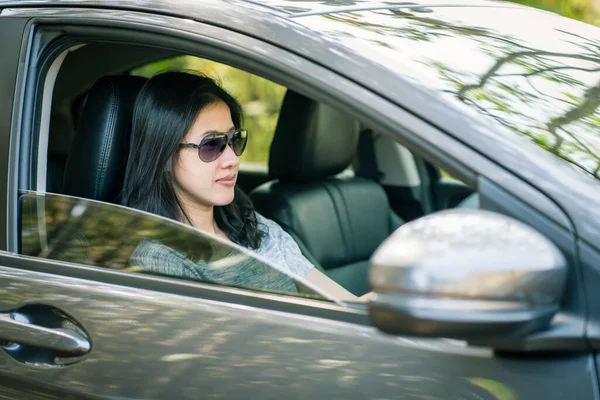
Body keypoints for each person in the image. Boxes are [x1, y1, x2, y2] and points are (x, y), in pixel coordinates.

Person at [121, 71, 361, 302]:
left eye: (234, 140)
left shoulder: (254, 227)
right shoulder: (159, 261)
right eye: (211, 144)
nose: (232, 159)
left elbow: (345, 306)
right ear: (164, 156)